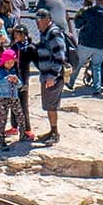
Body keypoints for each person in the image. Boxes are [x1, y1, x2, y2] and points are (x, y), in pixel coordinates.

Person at [68, 0, 103, 94]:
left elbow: (78, 24)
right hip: (100, 43)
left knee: (78, 63)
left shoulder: (89, 11)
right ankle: (97, 88)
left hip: (86, 42)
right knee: (96, 66)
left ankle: (71, 83)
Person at [35, 9, 67, 146]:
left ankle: (55, 133)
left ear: (47, 19)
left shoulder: (53, 33)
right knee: (49, 105)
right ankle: (52, 130)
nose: (38, 23)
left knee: (52, 105)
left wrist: (52, 76)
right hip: (46, 74)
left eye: (40, 20)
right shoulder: (45, 33)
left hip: (53, 76)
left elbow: (60, 56)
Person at [0, 49, 28, 150]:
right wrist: (5, 79)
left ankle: (22, 134)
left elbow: (20, 85)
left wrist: (17, 81)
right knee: (3, 119)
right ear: (4, 61)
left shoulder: (13, 71)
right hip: (3, 97)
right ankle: (2, 139)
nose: (10, 64)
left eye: (12, 62)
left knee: (20, 115)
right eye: (8, 62)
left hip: (14, 97)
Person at [9, 24, 36, 141]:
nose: (16, 36)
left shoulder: (28, 47)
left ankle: (27, 129)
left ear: (24, 35)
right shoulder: (14, 47)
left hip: (23, 78)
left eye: (18, 33)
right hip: (13, 77)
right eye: (15, 33)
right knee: (13, 101)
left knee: (23, 104)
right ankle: (14, 126)